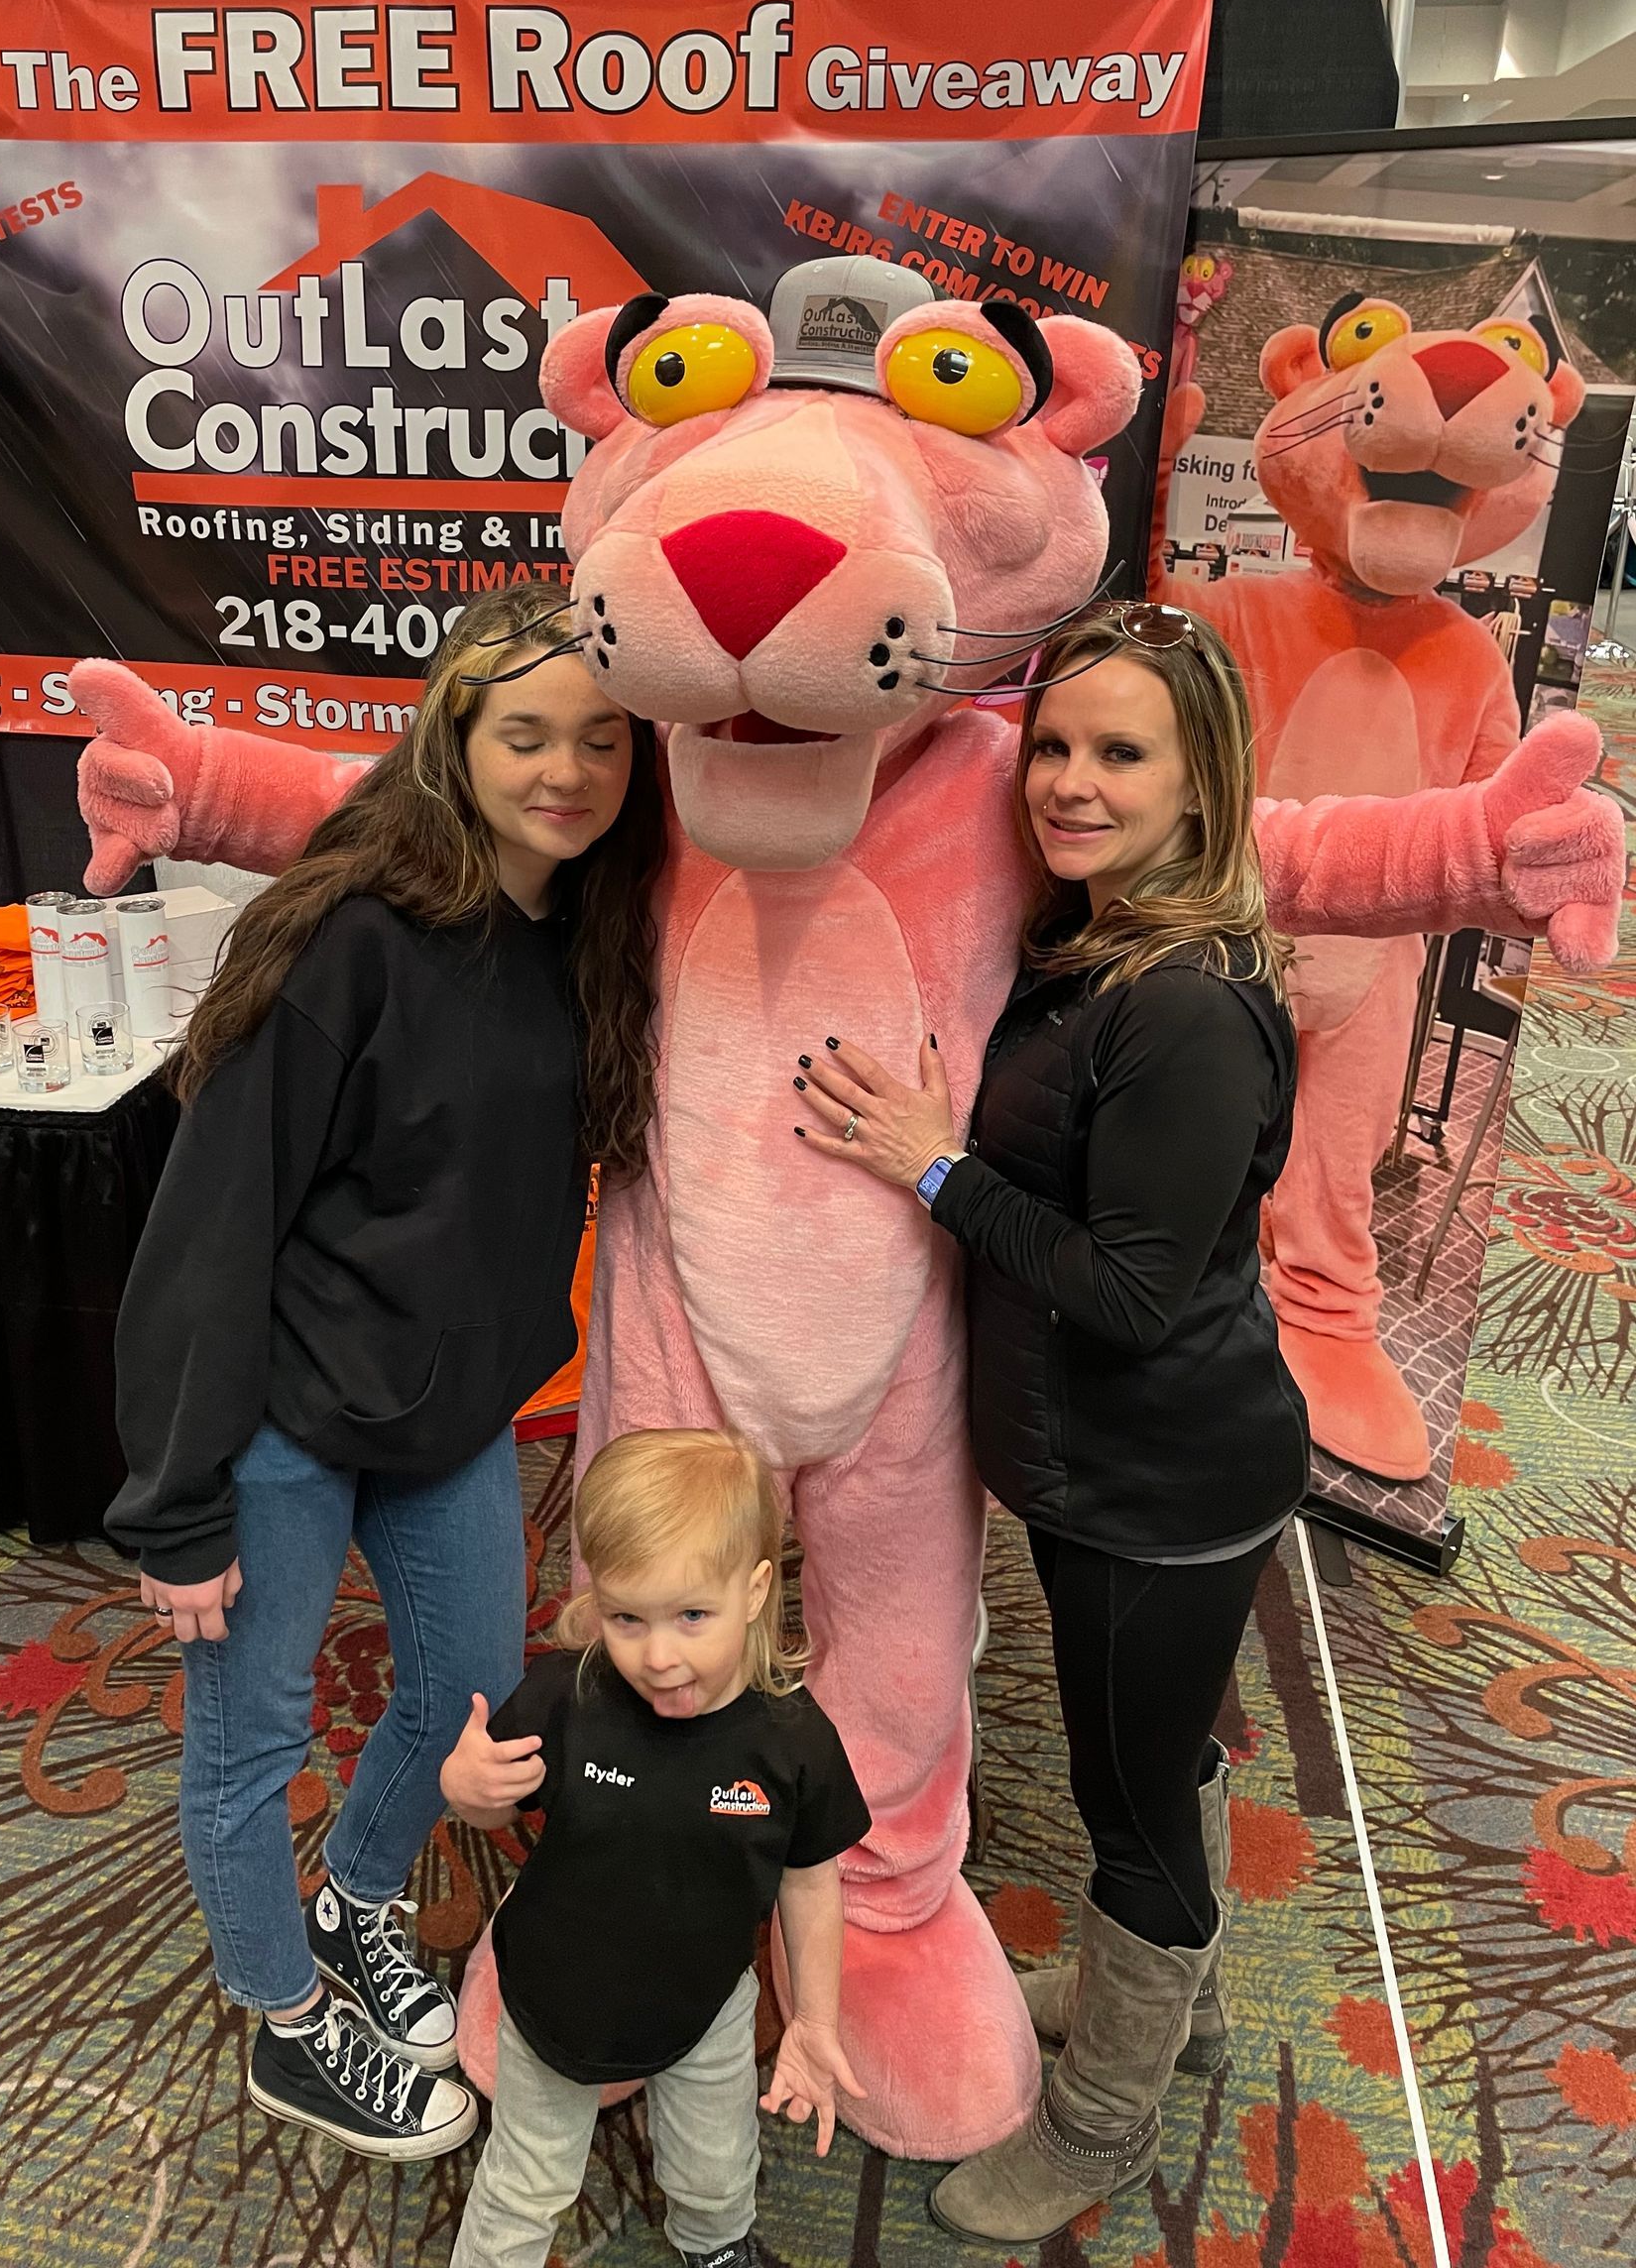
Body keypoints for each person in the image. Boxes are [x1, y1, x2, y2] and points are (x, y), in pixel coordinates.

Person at [108, 585, 665, 2163]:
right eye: (526, 734)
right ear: (456, 738)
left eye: (601, 739)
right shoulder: (353, 933)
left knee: (464, 1695)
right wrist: (177, 1503)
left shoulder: (589, 931)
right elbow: (212, 1220)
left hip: (451, 1413)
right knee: (250, 1736)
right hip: (281, 1420)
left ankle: (354, 1900)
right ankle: (286, 2020)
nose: (566, 768)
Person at [788, 600, 1309, 2244]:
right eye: (1061, 747)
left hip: (1158, 1480)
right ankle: (1178, 1998)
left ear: (1201, 782)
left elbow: (1135, 1292)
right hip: (1106, 1466)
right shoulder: (1102, 940)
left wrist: (934, 1169)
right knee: (1161, 1751)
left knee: (1128, 1796)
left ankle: (1105, 2114)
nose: (1071, 783)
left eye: (1122, 754)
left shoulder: (1187, 1007)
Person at [440, 1427, 872, 2268]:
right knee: (526, 2184)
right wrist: (466, 1789)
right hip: (551, 1997)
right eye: (626, 1617)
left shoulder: (795, 1744)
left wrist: (816, 2019)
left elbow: (811, 1886)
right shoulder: (566, 1697)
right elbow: (487, 1816)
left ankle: (713, 2249)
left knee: (717, 2177)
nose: (659, 1656)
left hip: (705, 2006)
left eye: (692, 1616)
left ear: (754, 1592)